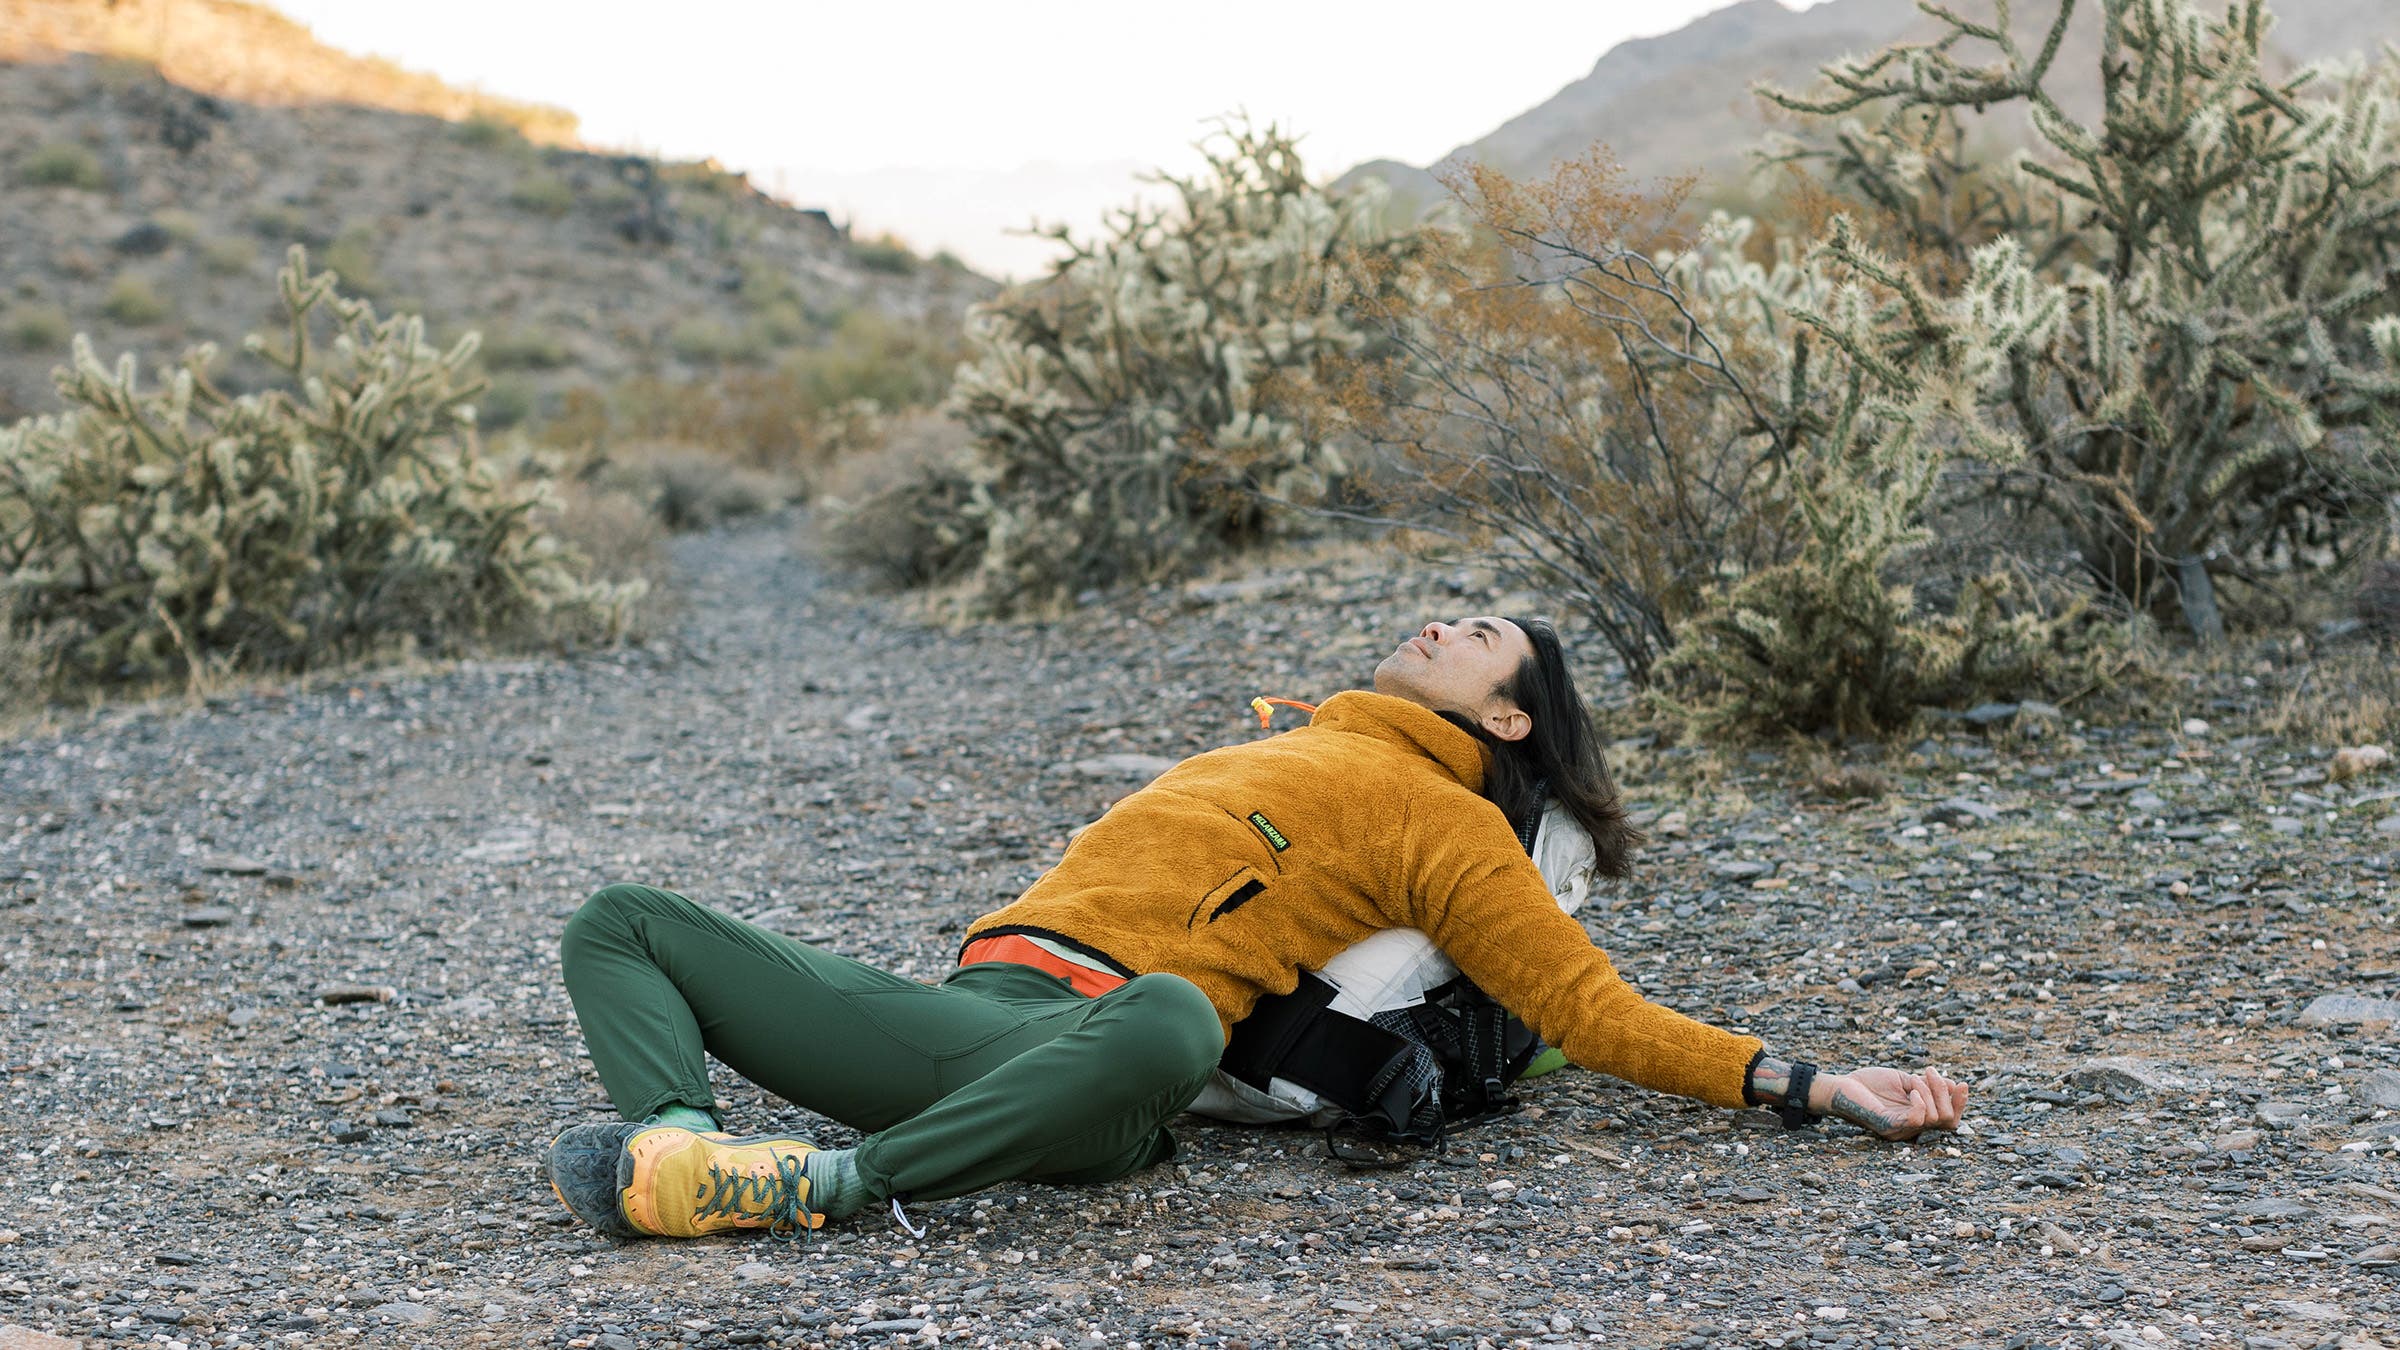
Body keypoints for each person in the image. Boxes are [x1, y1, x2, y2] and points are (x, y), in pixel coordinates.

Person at [545, 616, 1968, 1239]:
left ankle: (826, 1187)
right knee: (625, 917)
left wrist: (1814, 1081)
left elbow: (1590, 1010)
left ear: (1506, 715)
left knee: (1171, 1012)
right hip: (970, 1013)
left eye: (1474, 631)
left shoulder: (1449, 824)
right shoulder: (1294, 740)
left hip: (1104, 1056)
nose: (1436, 620)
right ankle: (681, 1153)